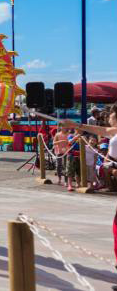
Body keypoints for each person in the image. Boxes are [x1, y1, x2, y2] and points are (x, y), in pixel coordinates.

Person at [63, 108, 117, 290]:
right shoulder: (113, 131)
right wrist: (75, 125)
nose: (107, 116)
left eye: (110, 114)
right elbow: (99, 131)